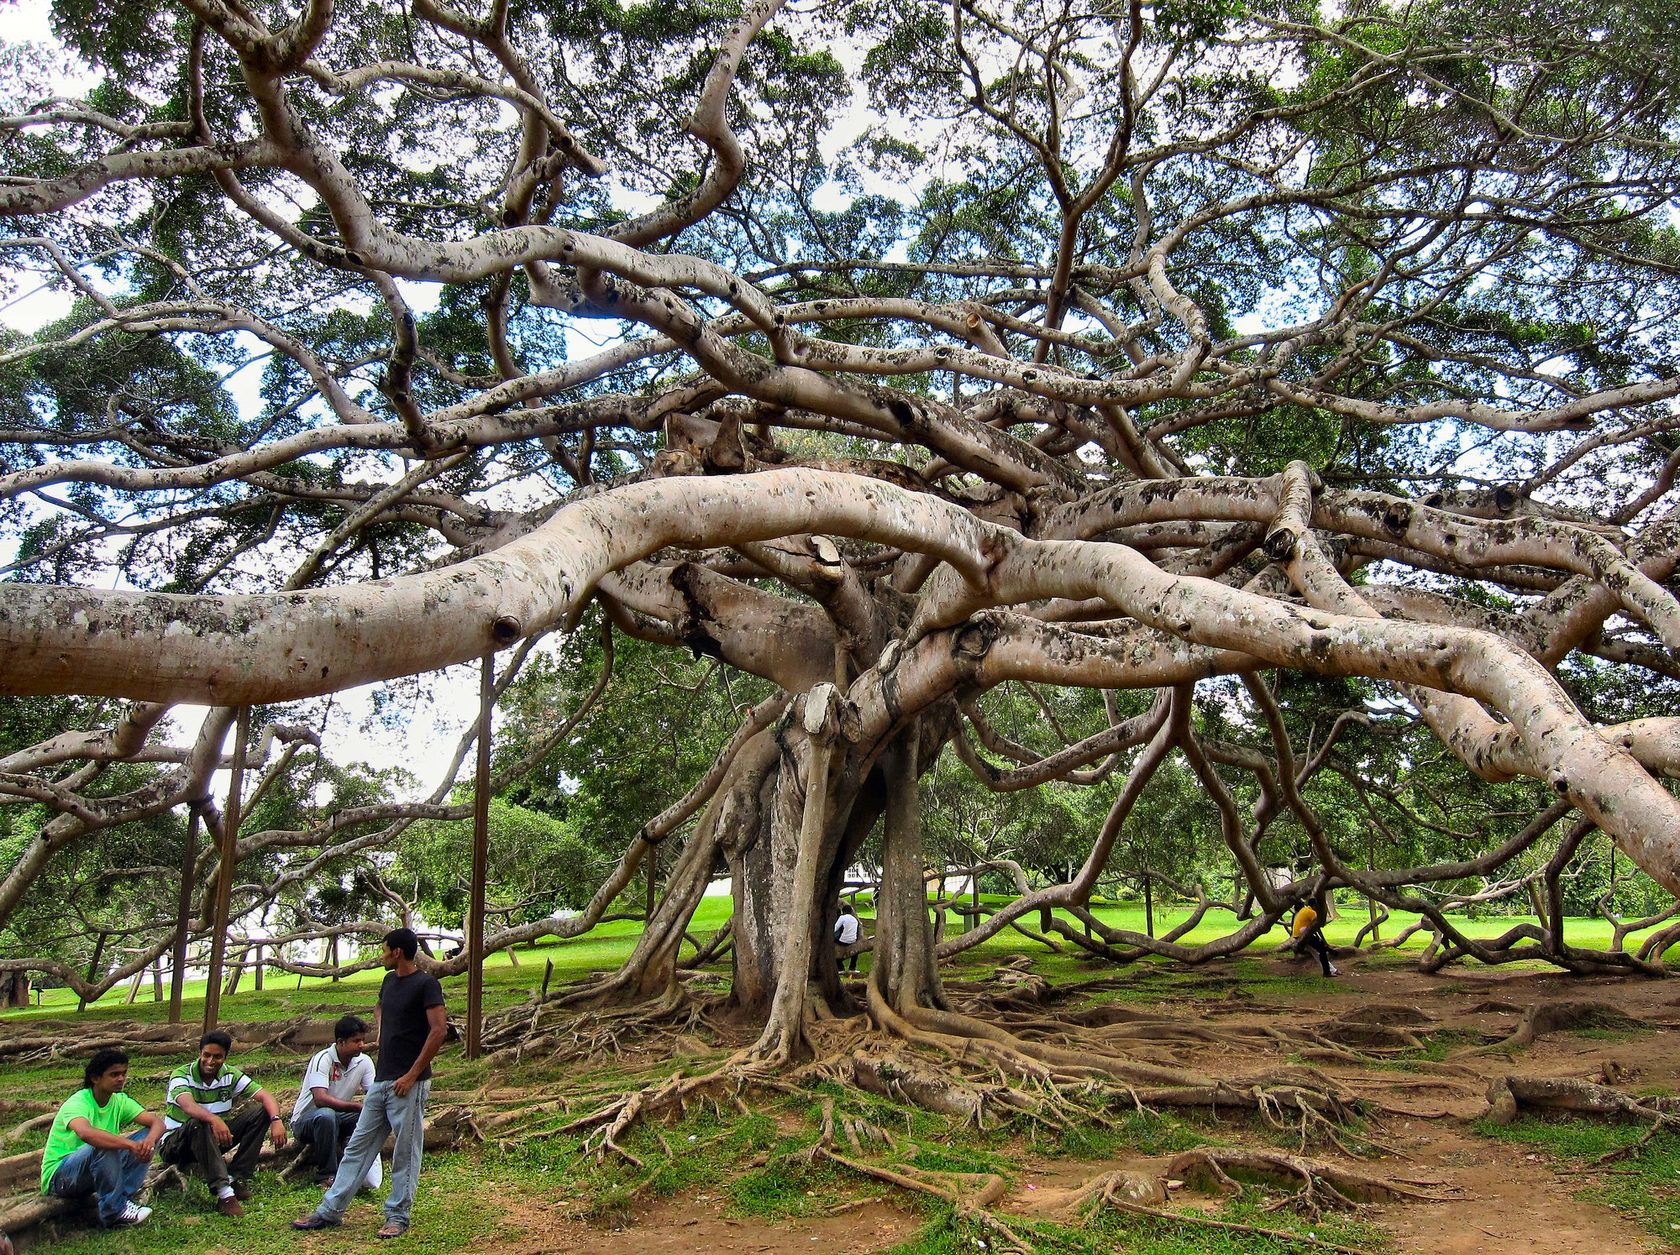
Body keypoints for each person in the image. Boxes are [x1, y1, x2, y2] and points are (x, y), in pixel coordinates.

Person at [294, 926, 447, 1240]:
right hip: (382, 1082)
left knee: (405, 1152)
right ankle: (329, 1211)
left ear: (397, 952)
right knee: (357, 1147)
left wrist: (412, 1074)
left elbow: (439, 1031)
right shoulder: (389, 981)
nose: (382, 955)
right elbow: (380, 1008)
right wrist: (385, 1029)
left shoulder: (426, 985)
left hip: (409, 1083)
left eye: (384, 949)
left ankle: (398, 1216)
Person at [159, 1029, 287, 1217]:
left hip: (210, 1141)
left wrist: (276, 1120)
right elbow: (187, 1105)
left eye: (217, 1056)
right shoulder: (181, 1074)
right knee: (199, 1121)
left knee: (262, 1112)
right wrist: (213, 1118)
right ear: (200, 1053)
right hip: (176, 1144)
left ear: (225, 1056)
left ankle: (235, 1176)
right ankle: (225, 1194)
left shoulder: (230, 1075)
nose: (211, 1062)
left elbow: (265, 1096)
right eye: (207, 1055)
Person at [40, 1048, 164, 1227]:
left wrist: (148, 1142)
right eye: (114, 1074)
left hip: (93, 1169)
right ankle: (114, 1211)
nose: (121, 1079)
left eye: (123, 1073)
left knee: (146, 1137)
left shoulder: (119, 1100)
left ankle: (122, 1198)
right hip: (60, 1177)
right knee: (103, 1144)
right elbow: (86, 1133)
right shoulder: (78, 1102)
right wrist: (129, 1145)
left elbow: (157, 1123)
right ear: (95, 1078)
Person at [292, 1014, 376, 1187]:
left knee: (373, 1114)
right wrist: (357, 1107)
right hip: (307, 1120)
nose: (362, 1045)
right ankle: (326, 1175)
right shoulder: (323, 1059)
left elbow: (373, 1094)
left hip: (338, 1117)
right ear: (340, 1042)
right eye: (356, 1041)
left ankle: (354, 1165)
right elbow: (320, 1099)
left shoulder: (364, 1062)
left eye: (362, 1040)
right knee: (326, 1115)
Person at [1290, 895, 1342, 978]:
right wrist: (1323, 941)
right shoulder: (1311, 912)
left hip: (1298, 935)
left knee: (1316, 953)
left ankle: (1332, 970)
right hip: (1303, 936)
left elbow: (1312, 929)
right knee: (1322, 951)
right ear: (1314, 906)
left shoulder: (1304, 910)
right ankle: (1327, 972)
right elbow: (1318, 927)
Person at [834, 902, 861, 972]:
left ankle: (840, 968)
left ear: (843, 911)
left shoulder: (842, 917)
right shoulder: (855, 919)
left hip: (843, 940)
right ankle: (852, 968)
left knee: (833, 946)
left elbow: (835, 928)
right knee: (855, 952)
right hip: (853, 940)